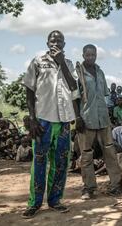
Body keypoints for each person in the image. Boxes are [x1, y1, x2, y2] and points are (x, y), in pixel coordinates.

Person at [21, 30, 79, 218]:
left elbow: (73, 87)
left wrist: (62, 62)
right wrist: (32, 118)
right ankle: (34, 203)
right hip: (43, 120)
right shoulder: (38, 61)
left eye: (60, 40)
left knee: (61, 162)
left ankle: (55, 200)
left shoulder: (69, 63)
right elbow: (29, 90)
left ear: (64, 43)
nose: (56, 43)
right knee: (39, 161)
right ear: (48, 43)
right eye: (53, 40)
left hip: (63, 121)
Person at [76, 44, 122, 200]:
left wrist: (109, 116)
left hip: (103, 118)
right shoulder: (78, 73)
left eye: (93, 55)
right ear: (83, 55)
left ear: (96, 55)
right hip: (86, 119)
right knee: (87, 155)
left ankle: (116, 185)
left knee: (110, 152)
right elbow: (75, 98)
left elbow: (105, 95)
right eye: (87, 55)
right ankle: (89, 188)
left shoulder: (100, 72)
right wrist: (78, 118)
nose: (90, 57)